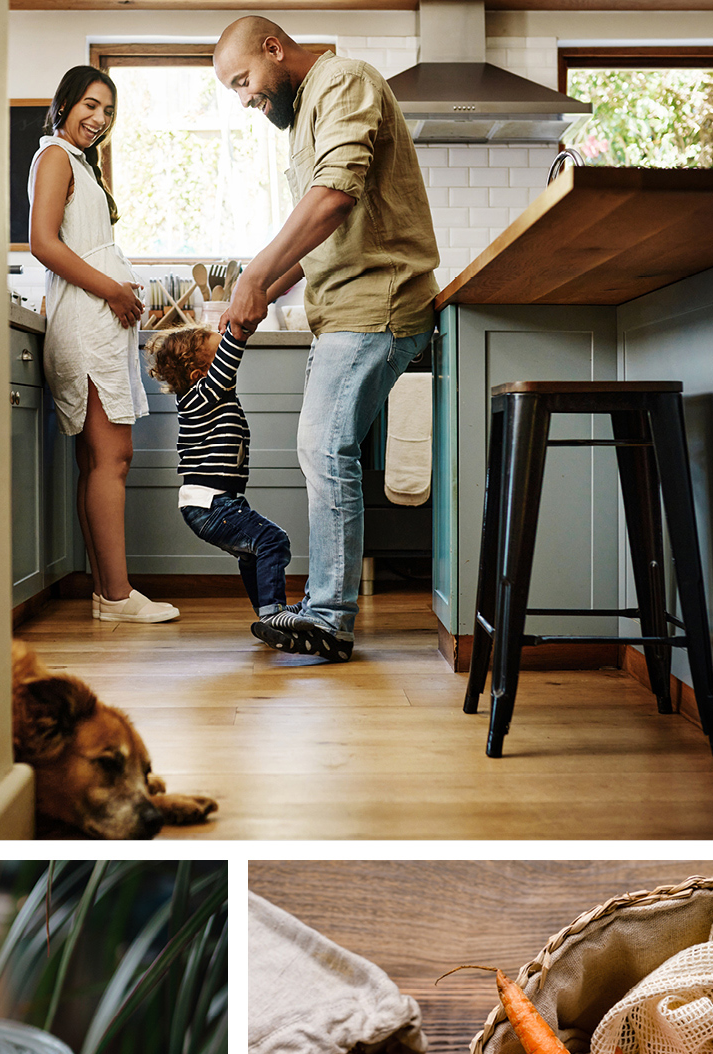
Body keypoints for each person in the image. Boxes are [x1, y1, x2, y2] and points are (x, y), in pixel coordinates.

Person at [213, 17, 439, 663]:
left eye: (244, 81)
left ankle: (329, 619)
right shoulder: (308, 108)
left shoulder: (342, 80)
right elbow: (320, 233)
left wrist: (256, 273)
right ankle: (326, 612)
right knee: (323, 450)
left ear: (274, 49)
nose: (247, 98)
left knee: (322, 447)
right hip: (342, 308)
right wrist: (260, 294)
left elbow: (335, 196)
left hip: (376, 303)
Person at [28, 67, 178, 623]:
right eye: (90, 105)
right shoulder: (55, 158)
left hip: (94, 322)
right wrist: (114, 289)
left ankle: (106, 594)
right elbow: (43, 242)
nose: (99, 119)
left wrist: (119, 289)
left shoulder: (78, 164)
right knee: (113, 458)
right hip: (89, 326)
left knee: (98, 459)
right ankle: (116, 597)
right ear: (64, 103)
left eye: (108, 112)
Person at [145, 322, 292, 622]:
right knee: (272, 541)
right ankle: (273, 615)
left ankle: (267, 613)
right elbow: (229, 359)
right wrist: (238, 329)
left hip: (217, 503)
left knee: (252, 552)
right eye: (219, 351)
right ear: (201, 375)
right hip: (211, 504)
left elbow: (224, 365)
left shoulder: (207, 398)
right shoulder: (202, 395)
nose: (226, 352)